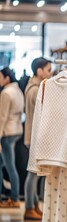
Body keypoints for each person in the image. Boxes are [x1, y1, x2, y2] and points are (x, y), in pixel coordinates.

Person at [23, 57, 51, 220]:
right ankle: (29, 207)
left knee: (34, 172)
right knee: (33, 173)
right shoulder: (35, 89)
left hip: (34, 135)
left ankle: (33, 206)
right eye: (48, 70)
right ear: (39, 71)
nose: (50, 73)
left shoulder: (33, 87)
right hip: (35, 136)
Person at [0, 67, 24, 208]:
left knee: (10, 166)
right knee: (5, 164)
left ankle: (14, 198)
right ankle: (11, 196)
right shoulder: (18, 91)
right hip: (17, 130)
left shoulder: (6, 93)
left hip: (7, 132)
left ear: (7, 78)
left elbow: (2, 117)